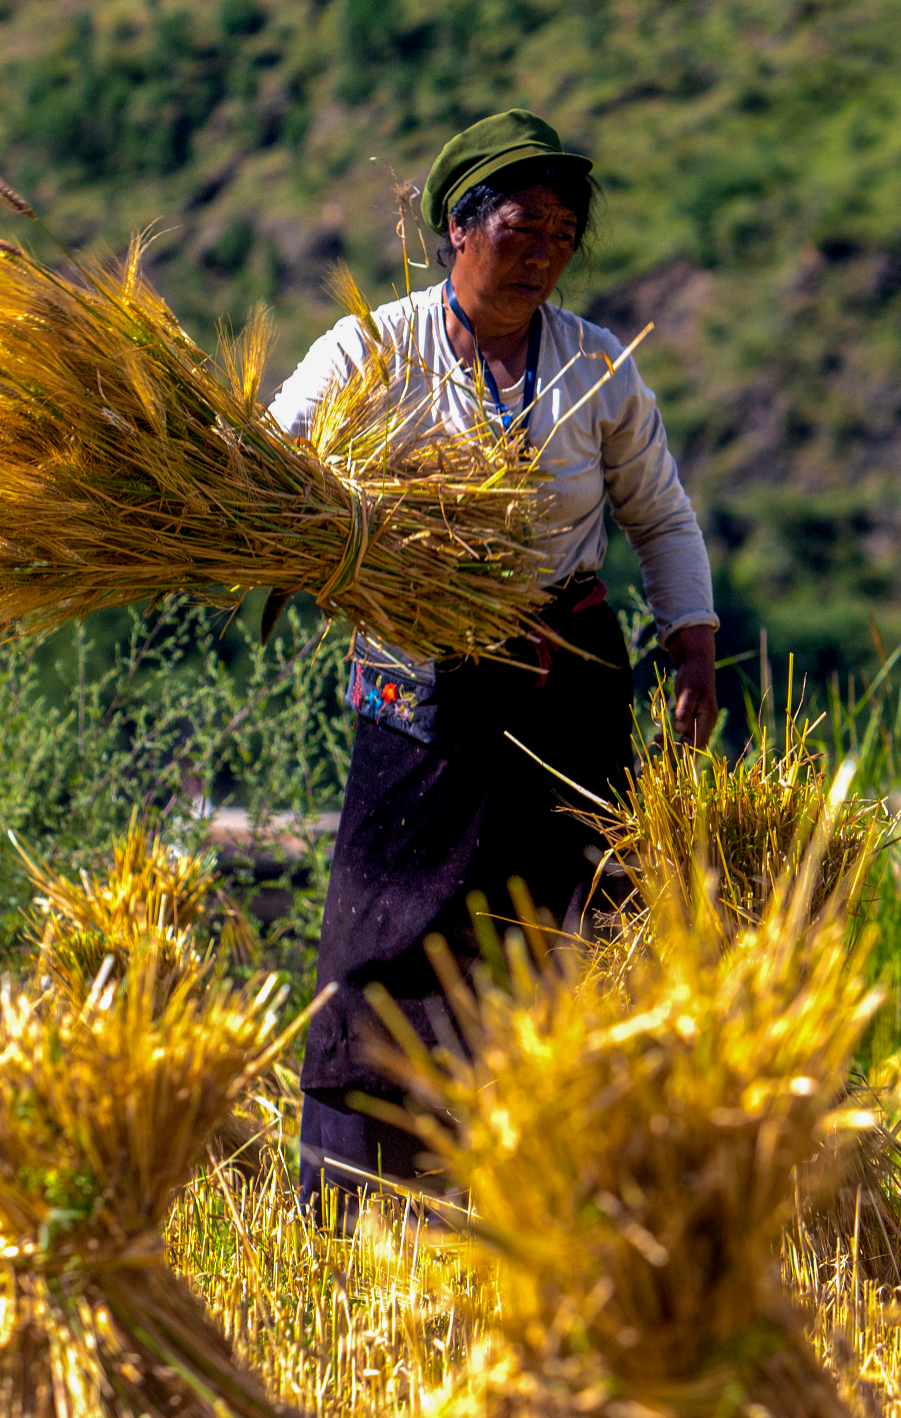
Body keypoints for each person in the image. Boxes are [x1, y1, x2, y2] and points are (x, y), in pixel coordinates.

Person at [267, 110, 719, 1220]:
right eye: (522, 226)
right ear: (455, 229)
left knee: (565, 923)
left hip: (567, 679)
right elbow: (274, 465)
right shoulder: (371, 351)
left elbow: (661, 521)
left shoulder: (598, 366)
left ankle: (534, 1191)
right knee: (391, 925)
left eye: (564, 234)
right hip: (421, 682)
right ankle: (351, 1199)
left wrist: (693, 653)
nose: (544, 252)